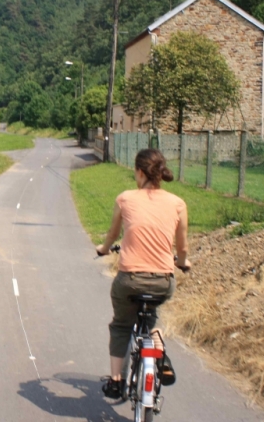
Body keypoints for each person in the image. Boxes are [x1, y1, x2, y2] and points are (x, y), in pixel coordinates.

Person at [95, 148, 191, 400]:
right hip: (162, 281)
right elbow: (182, 247)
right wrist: (182, 262)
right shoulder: (178, 204)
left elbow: (113, 235)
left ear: (139, 172)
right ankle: (159, 352)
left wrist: (104, 249)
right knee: (151, 314)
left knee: (121, 325)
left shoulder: (125, 199)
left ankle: (116, 381)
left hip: (129, 280)